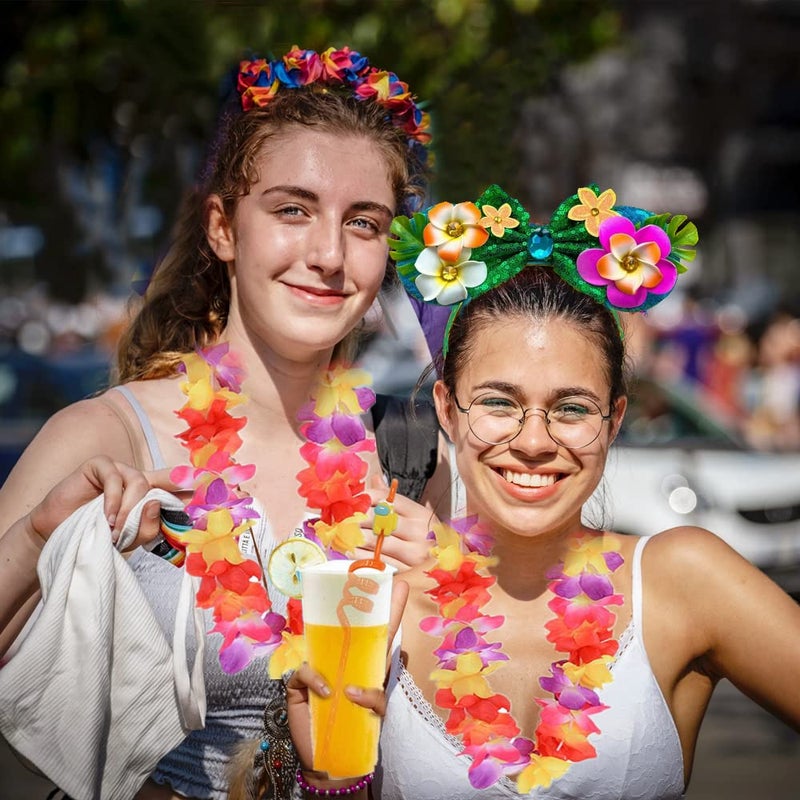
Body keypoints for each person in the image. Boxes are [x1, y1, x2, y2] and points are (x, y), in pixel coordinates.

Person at [0, 46, 454, 800]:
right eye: (292, 210)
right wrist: (42, 537)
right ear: (222, 227)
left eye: (364, 223)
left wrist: (447, 585)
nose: (329, 254)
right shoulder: (106, 437)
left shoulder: (407, 454)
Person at [283, 184, 800, 799]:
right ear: (447, 411)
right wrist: (327, 776)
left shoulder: (682, 578)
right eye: (499, 403)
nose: (533, 442)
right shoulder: (373, 607)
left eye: (572, 408)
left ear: (613, 419)